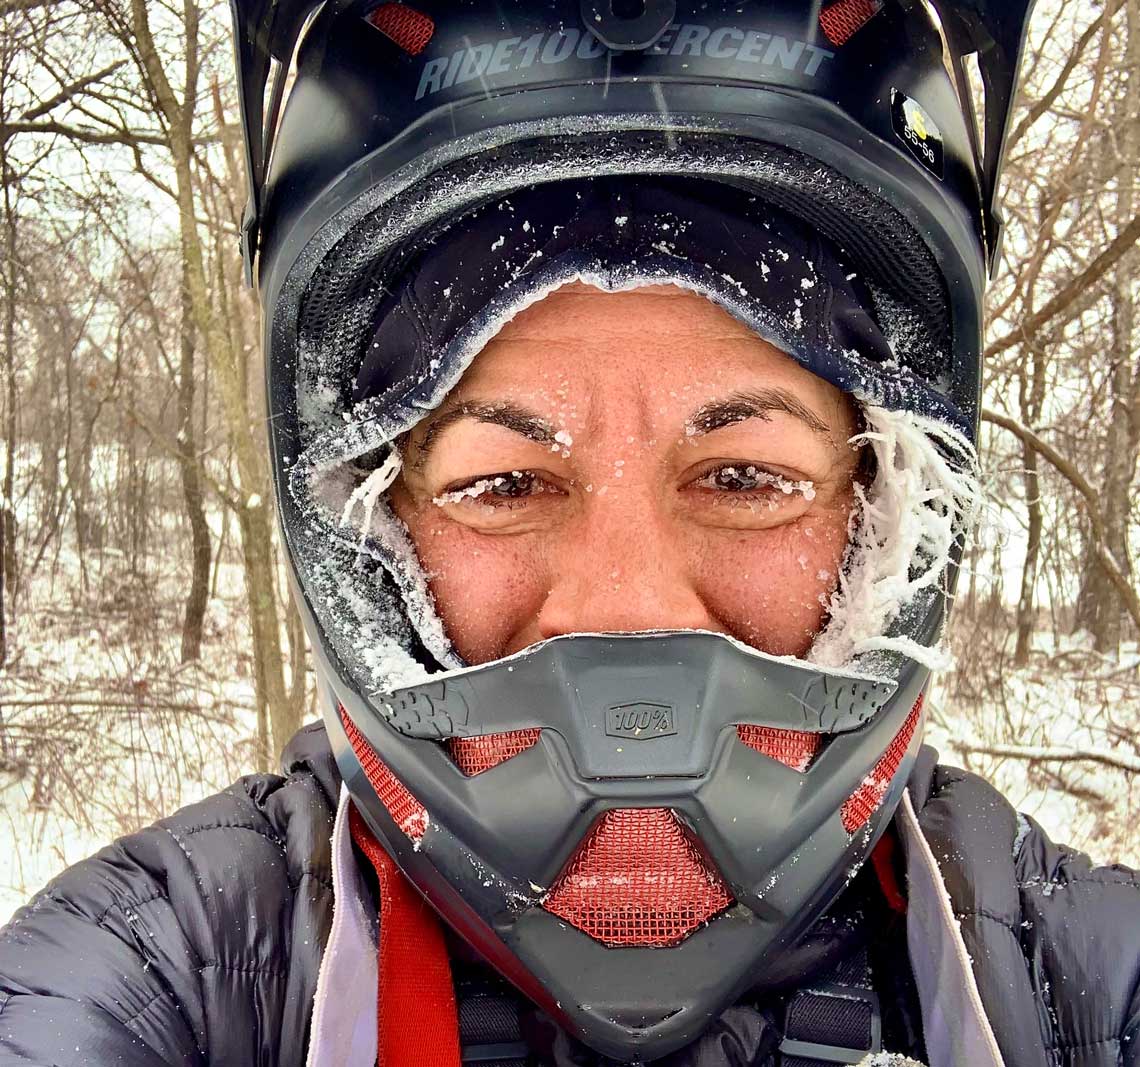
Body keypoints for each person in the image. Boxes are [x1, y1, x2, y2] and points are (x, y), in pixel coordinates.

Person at [2, 2, 1139, 1066]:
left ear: (882, 515)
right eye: (503, 483)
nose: (625, 605)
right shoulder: (165, 972)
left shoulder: (1076, 982)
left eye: (745, 476)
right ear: (371, 526)